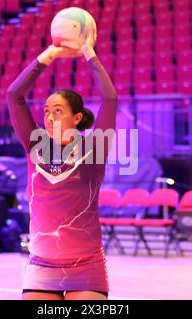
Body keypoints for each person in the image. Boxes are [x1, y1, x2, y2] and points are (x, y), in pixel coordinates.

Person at [7, 28, 117, 300]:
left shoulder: (95, 147)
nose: (49, 116)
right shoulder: (35, 144)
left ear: (77, 117)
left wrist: (88, 52)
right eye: (46, 111)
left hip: (87, 264)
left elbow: (110, 100)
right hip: (41, 265)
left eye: (58, 110)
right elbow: (14, 95)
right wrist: (49, 54)